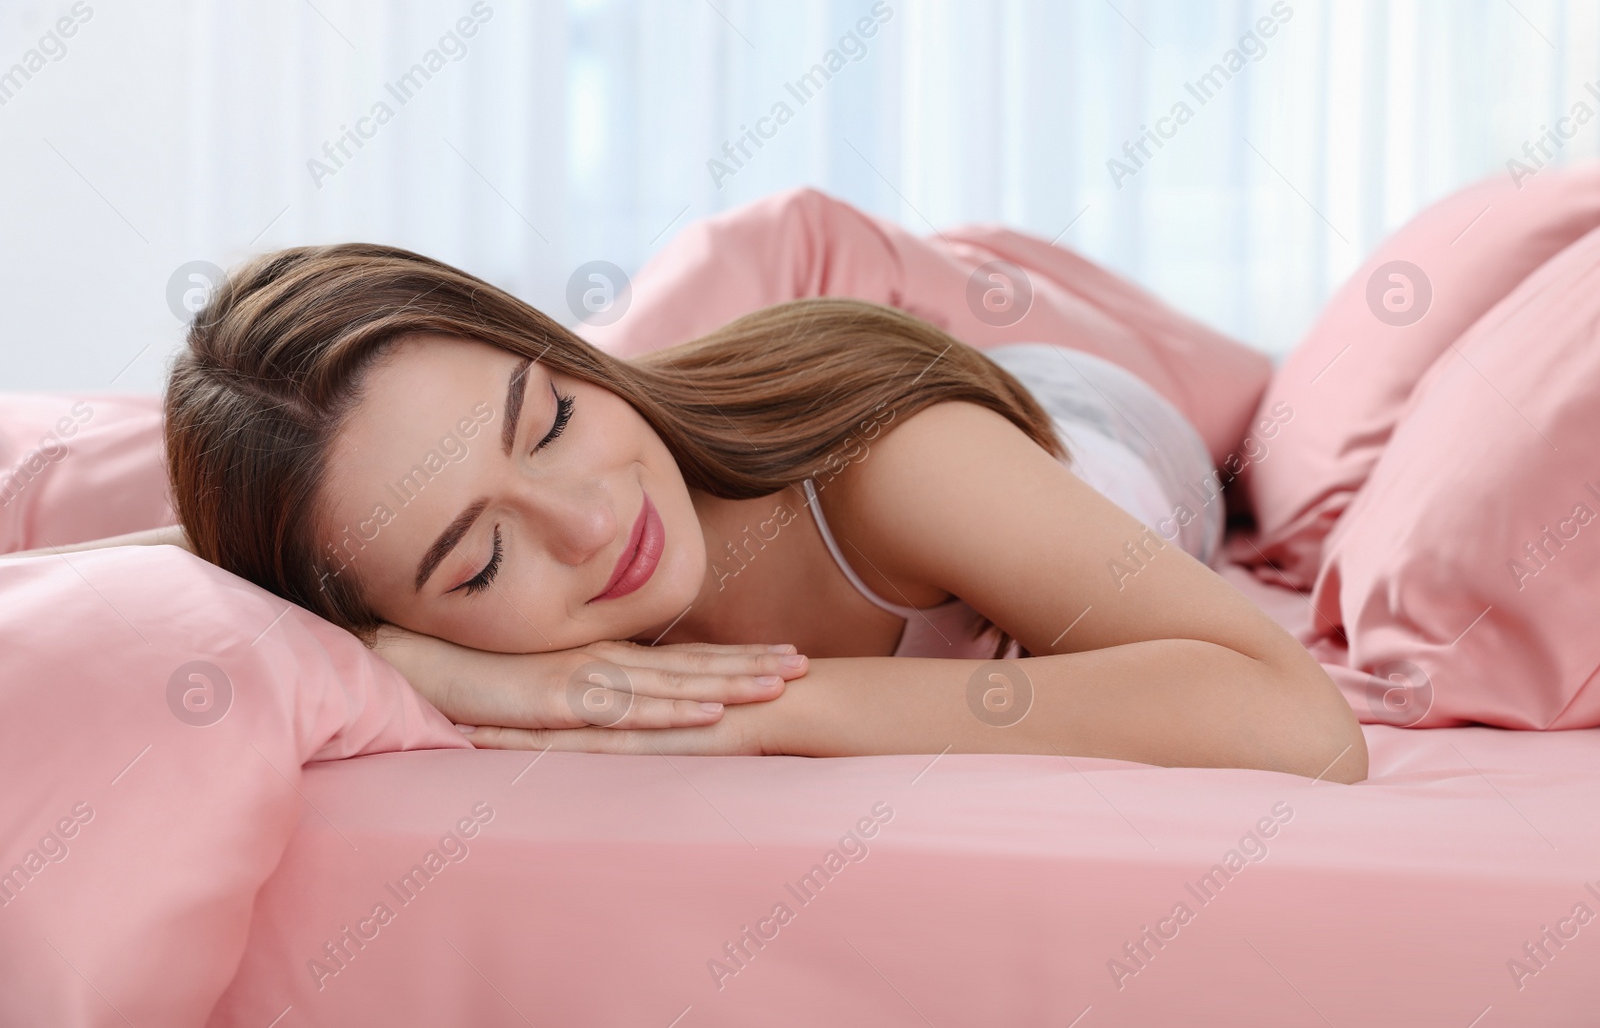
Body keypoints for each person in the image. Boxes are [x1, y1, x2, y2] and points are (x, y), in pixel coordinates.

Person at [42, 224, 1367, 783]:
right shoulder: (374, 587)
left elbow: (1303, 723)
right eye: (477, 560)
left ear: (557, 354)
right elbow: (147, 583)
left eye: (549, 416)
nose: (587, 521)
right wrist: (400, 653)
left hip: (1093, 423)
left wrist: (770, 709)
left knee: (1255, 415)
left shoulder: (895, 463)